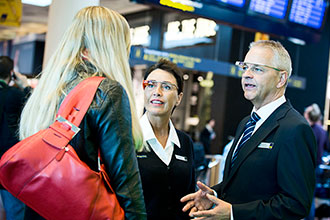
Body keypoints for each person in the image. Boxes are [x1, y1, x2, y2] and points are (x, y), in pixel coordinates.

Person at [19, 6, 146, 220]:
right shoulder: (107, 91)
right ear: (112, 47)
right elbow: (125, 179)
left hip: (39, 209)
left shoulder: (50, 87)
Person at [181, 40, 316, 219]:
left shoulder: (295, 129)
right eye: (245, 67)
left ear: (281, 79)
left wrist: (233, 213)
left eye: (257, 69)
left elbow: (295, 205)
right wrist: (213, 195)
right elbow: (240, 185)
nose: (247, 75)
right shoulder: (246, 123)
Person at [137, 58, 196, 220]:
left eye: (166, 87)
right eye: (151, 85)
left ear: (179, 98)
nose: (157, 91)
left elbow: (190, 198)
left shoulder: (184, 142)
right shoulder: (128, 137)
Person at [0, 56, 31, 220]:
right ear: (11, 74)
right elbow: (36, 108)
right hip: (8, 161)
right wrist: (25, 85)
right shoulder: (16, 95)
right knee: (15, 211)